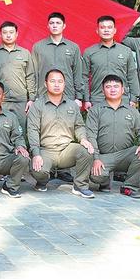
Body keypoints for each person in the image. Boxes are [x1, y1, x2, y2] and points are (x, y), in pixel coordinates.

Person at [27, 69, 95, 197]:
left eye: (60, 81)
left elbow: (79, 126)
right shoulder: (37, 106)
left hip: (66, 149)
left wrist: (83, 139)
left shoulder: (72, 105)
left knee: (87, 151)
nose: (57, 85)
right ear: (46, 84)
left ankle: (80, 186)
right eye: (53, 81)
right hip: (46, 150)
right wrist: (36, 153)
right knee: (39, 171)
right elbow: (32, 130)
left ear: (64, 84)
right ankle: (42, 181)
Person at [85, 75, 140, 199]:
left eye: (116, 86)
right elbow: (91, 136)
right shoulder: (95, 110)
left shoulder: (132, 111)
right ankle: (104, 182)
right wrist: (96, 158)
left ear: (123, 90)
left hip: (125, 155)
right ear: (103, 90)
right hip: (103, 156)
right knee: (97, 176)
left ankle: (129, 186)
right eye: (108, 87)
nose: (112, 89)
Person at [0, 21, 36, 135]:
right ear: (0, 34)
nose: (8, 35)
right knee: (0, 132)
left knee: (20, 132)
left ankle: (21, 147)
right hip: (0, 100)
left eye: (11, 32)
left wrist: (31, 99)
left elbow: (30, 77)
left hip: (20, 101)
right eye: (5, 32)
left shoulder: (25, 53)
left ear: (16, 34)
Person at [82, 16, 139, 110]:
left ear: (114, 30)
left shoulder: (126, 51)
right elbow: (84, 77)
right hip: (97, 99)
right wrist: (86, 99)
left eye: (109, 27)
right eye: (102, 27)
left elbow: (132, 75)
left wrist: (133, 98)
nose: (106, 30)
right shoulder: (89, 52)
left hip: (122, 99)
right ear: (97, 31)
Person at [31, 12, 85, 105]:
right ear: (48, 26)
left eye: (58, 23)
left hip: (68, 95)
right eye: (52, 23)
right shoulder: (38, 47)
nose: (55, 26)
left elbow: (78, 73)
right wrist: (33, 97)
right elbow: (33, 73)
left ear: (64, 26)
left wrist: (79, 97)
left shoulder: (73, 47)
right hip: (43, 95)